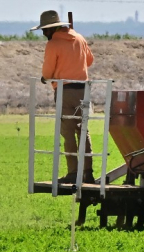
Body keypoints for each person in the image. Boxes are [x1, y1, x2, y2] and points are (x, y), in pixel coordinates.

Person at [30, 10, 95, 184]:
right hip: (84, 90)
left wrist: (46, 77)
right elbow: (89, 60)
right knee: (83, 131)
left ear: (53, 29)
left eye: (45, 30)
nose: (44, 33)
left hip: (65, 91)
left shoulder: (53, 44)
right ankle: (88, 172)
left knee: (67, 132)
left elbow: (47, 71)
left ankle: (73, 172)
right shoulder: (79, 38)